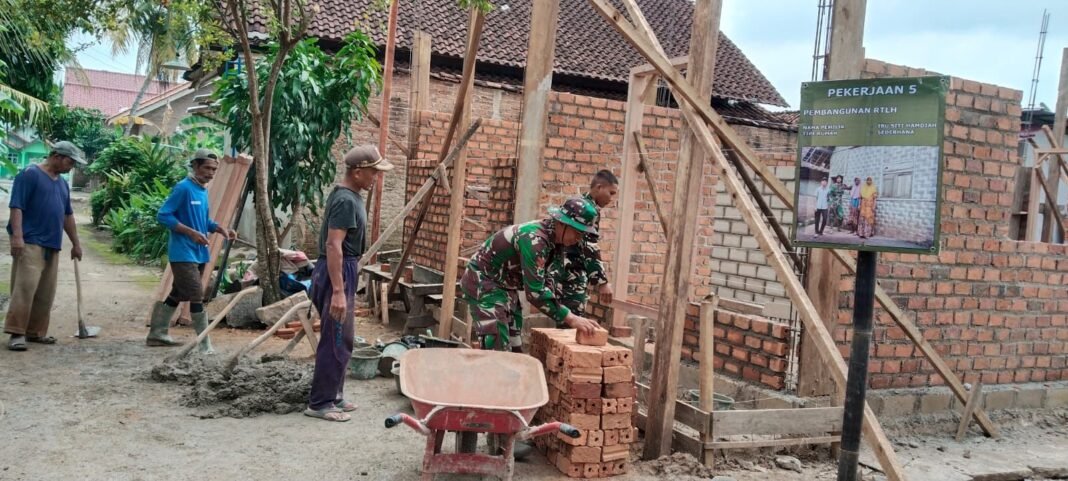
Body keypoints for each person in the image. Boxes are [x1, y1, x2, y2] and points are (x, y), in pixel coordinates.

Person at [305, 145, 393, 422]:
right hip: (337, 271)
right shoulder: (345, 200)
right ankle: (320, 403)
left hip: (345, 269)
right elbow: (333, 245)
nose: (376, 178)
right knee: (334, 339)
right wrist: (339, 291)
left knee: (343, 338)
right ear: (357, 172)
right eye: (373, 172)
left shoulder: (350, 197)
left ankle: (334, 396)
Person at [460, 197, 601, 352]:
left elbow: (547, 278)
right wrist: (571, 318)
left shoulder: (556, 242)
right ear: (563, 223)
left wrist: (565, 312)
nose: (578, 239)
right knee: (497, 346)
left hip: (505, 285)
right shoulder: (535, 240)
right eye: (577, 232)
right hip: (483, 282)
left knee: (515, 344)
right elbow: (535, 292)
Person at [147, 149, 236, 350]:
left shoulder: (202, 191)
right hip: (182, 252)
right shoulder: (183, 188)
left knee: (177, 293)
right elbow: (163, 215)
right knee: (196, 294)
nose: (211, 173)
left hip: (198, 252)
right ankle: (204, 344)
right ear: (195, 166)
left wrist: (219, 228)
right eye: (207, 168)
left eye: (214, 169)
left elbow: (203, 221)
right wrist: (189, 232)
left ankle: (157, 333)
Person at [5, 141, 85, 351]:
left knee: (45, 292)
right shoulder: (29, 174)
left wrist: (76, 243)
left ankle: (35, 331)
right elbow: (17, 206)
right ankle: (16, 332)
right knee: (25, 288)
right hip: (30, 241)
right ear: (57, 156)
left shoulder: (62, 183)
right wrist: (17, 237)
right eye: (70, 162)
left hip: (52, 243)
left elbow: (68, 215)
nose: (71, 167)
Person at [548, 170, 618, 319]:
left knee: (564, 320)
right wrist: (602, 282)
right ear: (599, 188)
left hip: (561, 271)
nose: (611, 199)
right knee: (571, 325)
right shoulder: (588, 211)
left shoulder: (578, 203)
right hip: (571, 275)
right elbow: (589, 246)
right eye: (611, 193)